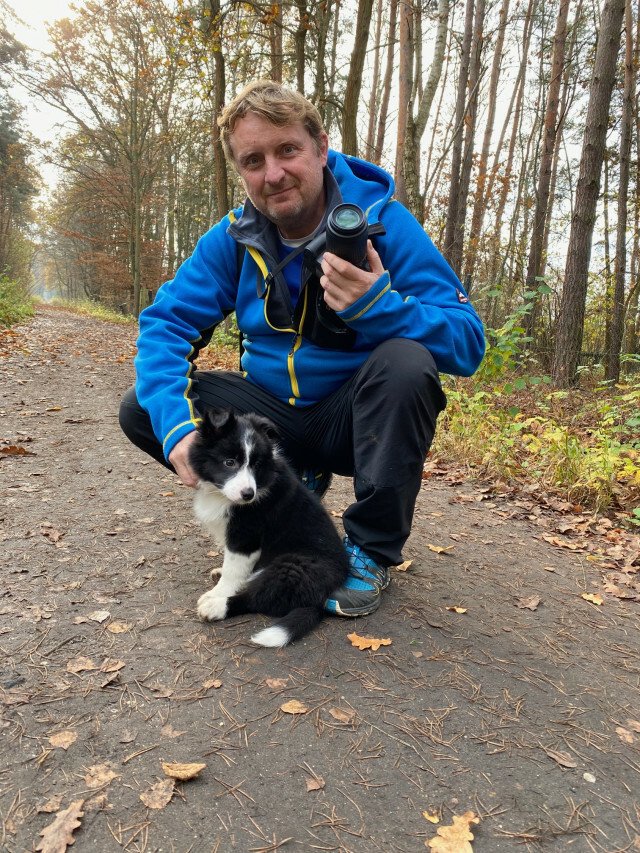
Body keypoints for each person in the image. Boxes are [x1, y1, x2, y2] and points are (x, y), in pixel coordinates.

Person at [119, 79, 485, 618]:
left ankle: (368, 550)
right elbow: (166, 325)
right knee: (141, 407)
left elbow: (467, 343)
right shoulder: (232, 237)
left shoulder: (384, 223)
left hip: (353, 420)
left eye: (287, 150)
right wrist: (176, 428)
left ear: (321, 147)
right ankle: (281, 486)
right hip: (269, 421)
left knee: (407, 364)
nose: (273, 174)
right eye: (253, 160)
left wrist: (379, 306)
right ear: (240, 172)